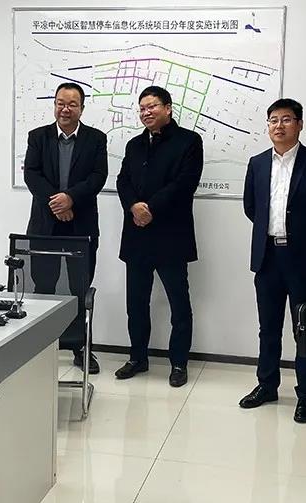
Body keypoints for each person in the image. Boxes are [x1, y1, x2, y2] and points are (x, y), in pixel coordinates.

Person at [239, 98, 306, 423]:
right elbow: (251, 208)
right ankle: (267, 386)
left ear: (299, 124)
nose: (278, 126)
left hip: (303, 261)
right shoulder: (257, 163)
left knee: (304, 331)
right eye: (273, 120)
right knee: (267, 328)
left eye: (286, 119)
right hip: (267, 257)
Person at [114, 86, 203, 388]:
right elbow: (123, 180)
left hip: (170, 236)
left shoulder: (189, 141)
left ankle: (178, 362)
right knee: (136, 304)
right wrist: (133, 206)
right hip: (137, 235)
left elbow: (184, 183)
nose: (146, 112)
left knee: (179, 305)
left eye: (152, 106)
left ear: (168, 108)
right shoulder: (134, 144)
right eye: (142, 108)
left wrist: (150, 208)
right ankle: (137, 358)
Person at [24, 82, 108, 374]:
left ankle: (81, 348)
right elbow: (31, 175)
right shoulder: (38, 137)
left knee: (78, 290)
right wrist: (57, 204)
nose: (65, 109)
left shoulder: (96, 139)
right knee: (43, 287)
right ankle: (41, 348)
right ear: (54, 105)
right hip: (45, 227)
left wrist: (70, 198)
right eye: (60, 103)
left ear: (82, 108)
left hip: (81, 227)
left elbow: (98, 177)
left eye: (72, 104)